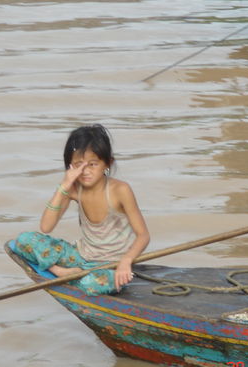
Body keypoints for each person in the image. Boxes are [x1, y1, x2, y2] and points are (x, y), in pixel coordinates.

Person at [14, 124, 150, 296]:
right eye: (79, 165)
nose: (85, 171)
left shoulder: (120, 190)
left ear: (107, 163)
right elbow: (46, 227)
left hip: (111, 266)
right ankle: (59, 272)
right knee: (22, 240)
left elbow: (143, 236)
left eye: (93, 164)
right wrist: (64, 185)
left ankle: (74, 276)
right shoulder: (73, 189)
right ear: (70, 166)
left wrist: (126, 261)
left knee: (90, 284)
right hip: (80, 257)